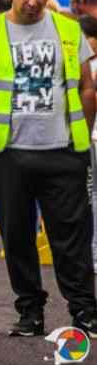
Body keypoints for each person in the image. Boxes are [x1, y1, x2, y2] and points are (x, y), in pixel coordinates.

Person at [0, 0, 97, 337]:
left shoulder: (68, 31)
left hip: (62, 153)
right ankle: (30, 312)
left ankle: (84, 312)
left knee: (72, 238)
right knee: (16, 238)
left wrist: (80, 135)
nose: (33, 1)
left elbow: (86, 86)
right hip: (7, 155)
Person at [78, 14, 97, 274]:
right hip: (89, 137)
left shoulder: (88, 68)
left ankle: (92, 254)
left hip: (91, 138)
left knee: (91, 196)